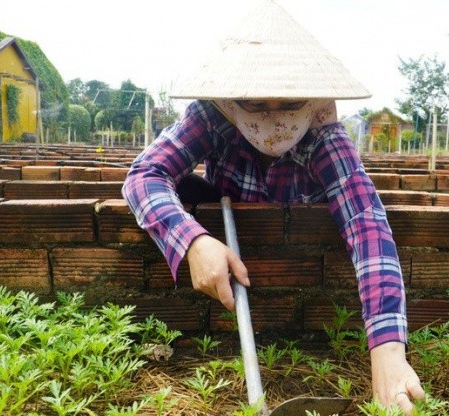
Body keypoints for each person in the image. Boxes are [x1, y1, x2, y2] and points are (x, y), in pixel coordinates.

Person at [122, 0, 425, 412]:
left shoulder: (323, 135)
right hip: (232, 234)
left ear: (312, 101)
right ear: (231, 101)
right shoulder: (211, 117)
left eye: (289, 105)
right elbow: (145, 176)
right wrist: (192, 241)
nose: (274, 119)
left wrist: (388, 353)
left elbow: (365, 221)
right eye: (257, 105)